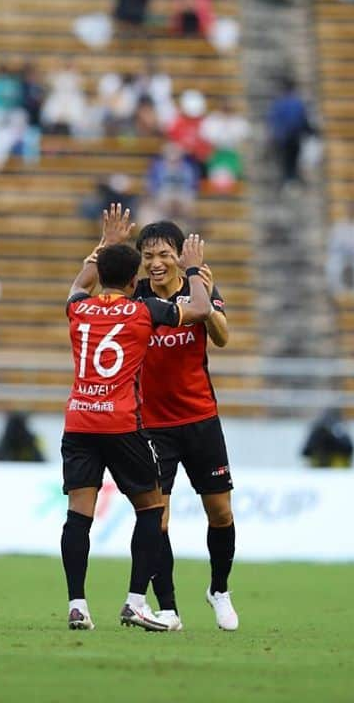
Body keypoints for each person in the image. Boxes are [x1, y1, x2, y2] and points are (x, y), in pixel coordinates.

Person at [59, 204, 212, 632]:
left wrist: (104, 245)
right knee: (151, 508)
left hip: (79, 423)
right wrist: (194, 269)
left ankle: (77, 605)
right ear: (134, 282)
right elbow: (199, 310)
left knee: (78, 516)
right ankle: (132, 601)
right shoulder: (142, 310)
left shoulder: (77, 309)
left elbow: (78, 283)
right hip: (123, 424)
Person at [132, 220, 237, 632]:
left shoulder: (201, 286)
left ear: (180, 255)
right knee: (157, 518)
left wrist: (200, 287)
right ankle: (169, 607)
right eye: (148, 256)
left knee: (221, 513)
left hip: (201, 419)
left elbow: (224, 338)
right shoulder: (135, 294)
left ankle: (219, 590)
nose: (156, 263)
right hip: (153, 425)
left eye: (164, 255)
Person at [268, 77, 312, 186]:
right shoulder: (296, 102)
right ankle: (290, 178)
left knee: (288, 158)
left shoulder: (280, 103)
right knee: (291, 157)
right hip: (292, 135)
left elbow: (273, 119)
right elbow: (302, 119)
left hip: (286, 136)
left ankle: (289, 178)